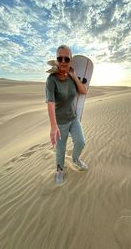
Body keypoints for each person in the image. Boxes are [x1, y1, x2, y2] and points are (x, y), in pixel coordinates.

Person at [45, 45, 88, 184]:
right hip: (60, 122)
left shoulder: (71, 77)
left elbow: (83, 91)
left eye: (66, 58)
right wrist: (53, 127)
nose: (63, 61)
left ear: (70, 60)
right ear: (56, 60)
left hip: (73, 118)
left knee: (81, 142)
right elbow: (50, 103)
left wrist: (74, 76)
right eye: (60, 58)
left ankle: (76, 159)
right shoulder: (51, 80)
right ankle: (59, 170)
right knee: (60, 150)